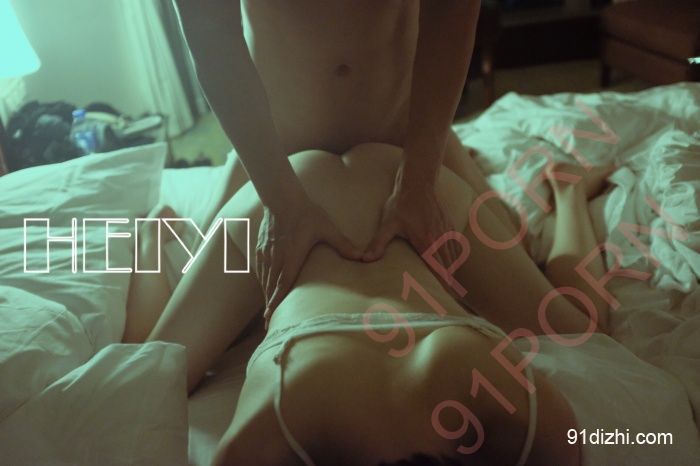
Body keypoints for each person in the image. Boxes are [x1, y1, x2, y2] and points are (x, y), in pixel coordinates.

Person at [123, 141, 616, 465]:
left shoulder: (524, 425)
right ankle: (153, 237)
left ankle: (565, 189)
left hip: (389, 187)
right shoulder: (274, 434)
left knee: (585, 324)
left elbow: (598, 439)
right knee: (149, 363)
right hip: (352, 190)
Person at [171, 0, 517, 327]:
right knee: (191, 313)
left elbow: (453, 9)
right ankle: (155, 235)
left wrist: (420, 180)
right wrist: (280, 202)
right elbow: (209, 29)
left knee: (521, 264)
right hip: (275, 153)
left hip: (408, 139)